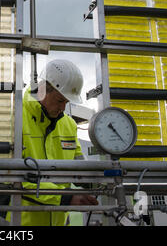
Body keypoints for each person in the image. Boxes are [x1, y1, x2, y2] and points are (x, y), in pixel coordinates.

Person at [6, 59, 98, 226]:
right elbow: (13, 177)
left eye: (67, 102)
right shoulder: (13, 118)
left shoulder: (69, 125)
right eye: (59, 100)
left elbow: (78, 167)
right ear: (42, 90)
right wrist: (65, 198)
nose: (63, 108)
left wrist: (95, 180)